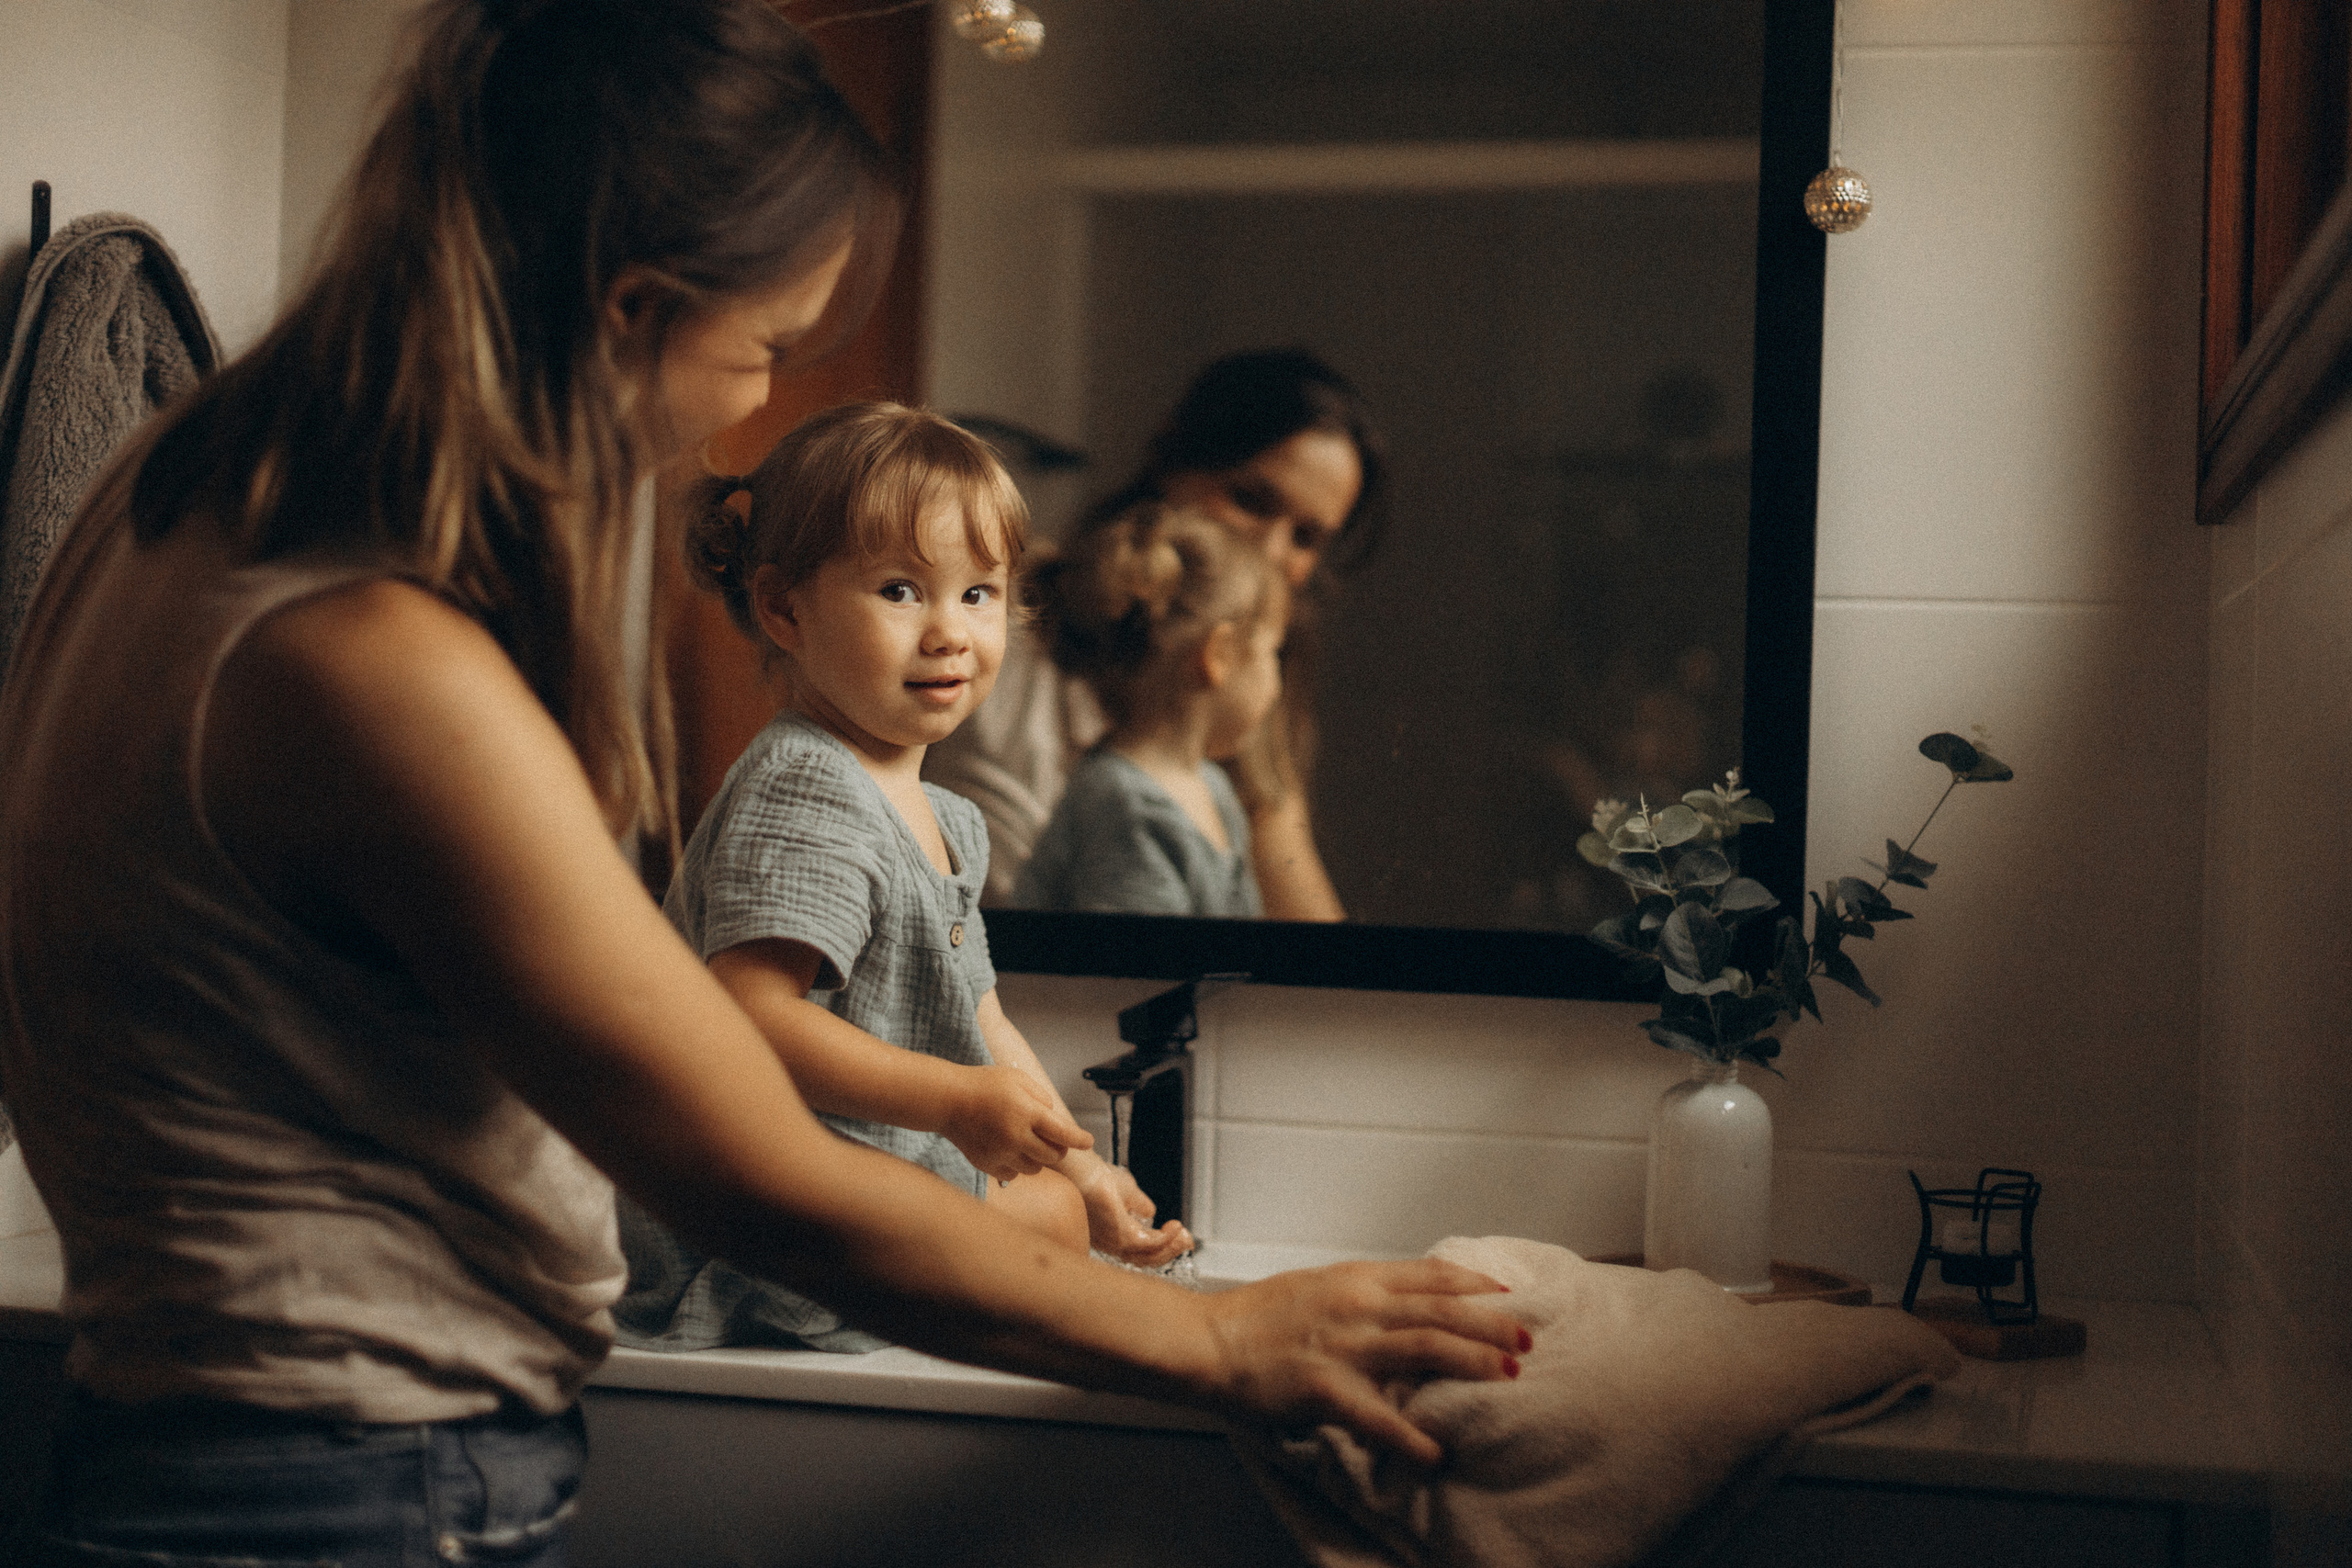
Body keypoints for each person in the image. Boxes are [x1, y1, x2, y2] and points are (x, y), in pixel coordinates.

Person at [0, 3, 1522, 1562]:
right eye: (767, 351)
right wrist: (1228, 1342)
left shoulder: (171, 493)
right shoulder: (369, 659)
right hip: (340, 1486)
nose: (740, 414)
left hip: (192, 1449)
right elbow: (749, 1160)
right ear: (631, 308)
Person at [618, 403, 1190, 1354]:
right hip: (762, 1241)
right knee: (1047, 1227)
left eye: (979, 594)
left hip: (840, 1211)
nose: (949, 632)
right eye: (899, 590)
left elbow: (982, 1024)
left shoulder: (945, 815)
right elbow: (751, 1017)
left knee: (1057, 1210)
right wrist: (956, 1105)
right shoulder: (807, 788)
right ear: (783, 609)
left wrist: (1082, 1168)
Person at [925, 348, 1384, 920]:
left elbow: (1302, 912)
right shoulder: (995, 627)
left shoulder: (1254, 680)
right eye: (1250, 500)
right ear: (1173, 462)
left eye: (1306, 539)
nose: (1269, 553)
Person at [1013, 502, 1283, 918]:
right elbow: (1134, 979)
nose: (1276, 681)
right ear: (1221, 655)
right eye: (1271, 652)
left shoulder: (1212, 786)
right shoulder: (1126, 807)